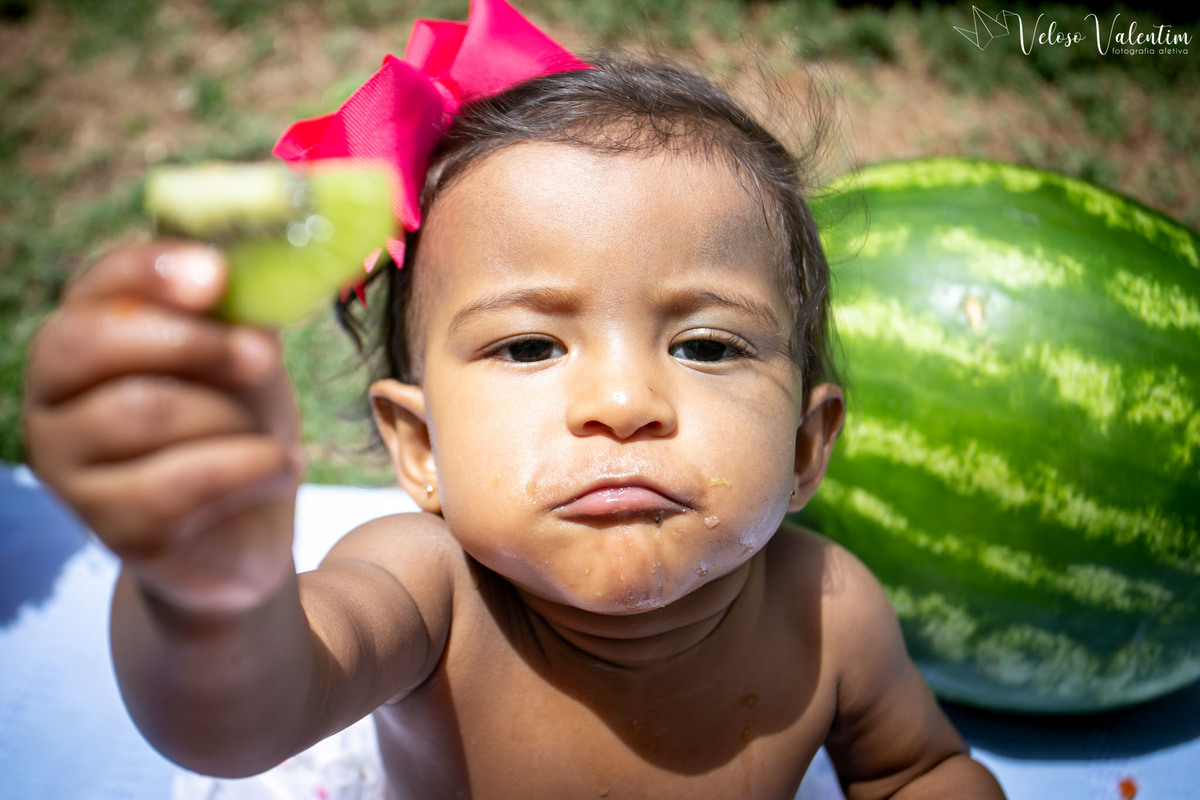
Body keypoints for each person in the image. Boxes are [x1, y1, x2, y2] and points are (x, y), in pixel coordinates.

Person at [22, 1, 1005, 797]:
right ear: (417, 445)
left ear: (804, 444)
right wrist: (209, 587)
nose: (624, 401)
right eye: (529, 343)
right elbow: (239, 720)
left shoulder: (831, 609)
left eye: (704, 344)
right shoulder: (428, 593)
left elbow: (914, 767)